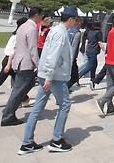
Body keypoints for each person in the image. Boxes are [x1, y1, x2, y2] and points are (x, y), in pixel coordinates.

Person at [18, 13, 77, 155]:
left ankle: (27, 142)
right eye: (75, 20)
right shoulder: (60, 33)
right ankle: (57, 140)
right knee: (65, 105)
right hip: (54, 77)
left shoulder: (56, 30)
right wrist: (49, 77)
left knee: (38, 107)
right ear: (70, 19)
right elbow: (53, 55)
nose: (76, 23)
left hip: (48, 74)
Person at [1, 7, 42, 126]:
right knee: (20, 89)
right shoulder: (32, 28)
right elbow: (33, 49)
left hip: (19, 60)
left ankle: (8, 111)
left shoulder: (23, 26)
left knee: (24, 86)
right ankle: (8, 114)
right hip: (25, 62)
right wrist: (38, 64)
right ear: (37, 15)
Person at [0, 17, 29, 110]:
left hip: (9, 61)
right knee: (3, 82)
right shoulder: (18, 37)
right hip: (10, 61)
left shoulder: (15, 35)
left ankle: (24, 99)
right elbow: (12, 52)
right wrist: (8, 65)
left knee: (17, 82)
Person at [78, 22, 102, 88]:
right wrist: (105, 50)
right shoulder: (98, 32)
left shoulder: (90, 31)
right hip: (93, 51)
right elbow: (100, 42)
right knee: (90, 66)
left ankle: (92, 80)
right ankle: (78, 76)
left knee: (94, 65)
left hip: (89, 50)